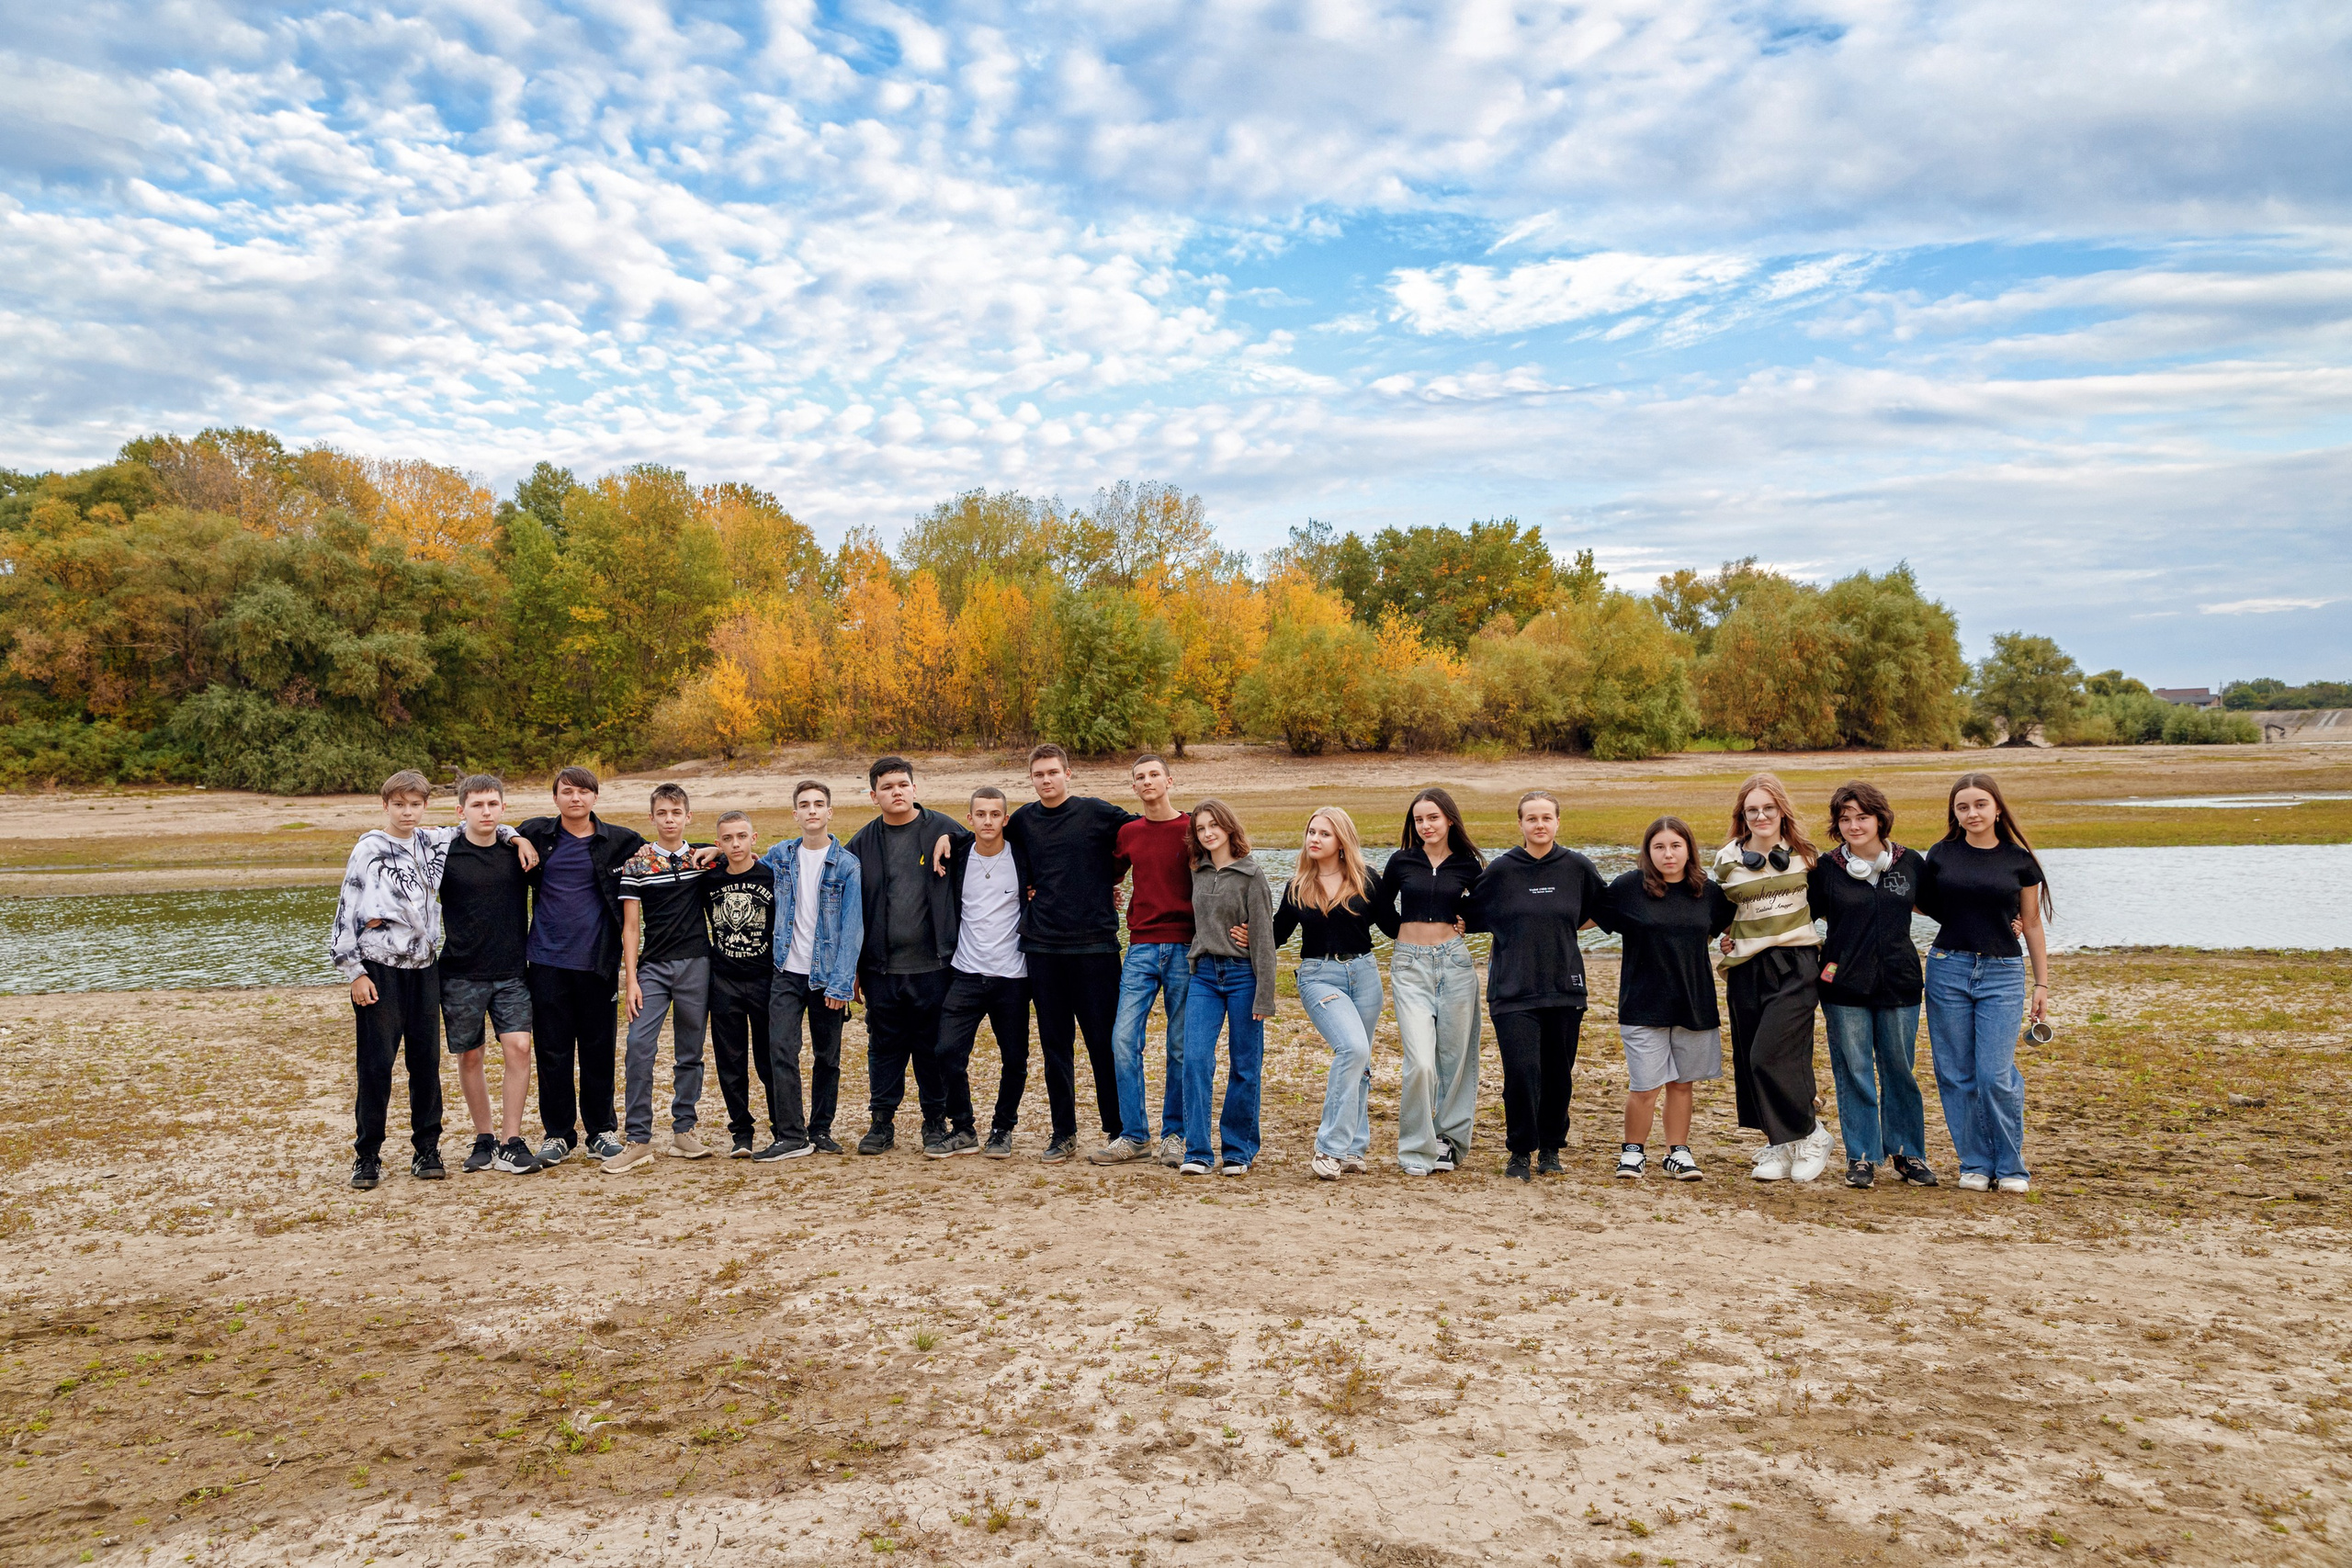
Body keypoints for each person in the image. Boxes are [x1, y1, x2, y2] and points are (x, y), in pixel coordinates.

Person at [329, 769, 535, 1190]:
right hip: (378, 969)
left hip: (425, 969)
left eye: (415, 805)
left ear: (426, 807)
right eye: (399, 804)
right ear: (385, 805)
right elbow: (345, 911)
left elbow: (481, 822)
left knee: (425, 1064)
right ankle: (367, 1156)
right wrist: (355, 973)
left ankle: (427, 1149)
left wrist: (516, 836)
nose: (407, 812)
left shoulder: (431, 842)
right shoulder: (369, 847)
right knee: (376, 1065)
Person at [1918, 772, 2052, 1195]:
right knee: (1956, 1073)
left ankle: (2011, 1166)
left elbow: (2031, 923)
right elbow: (1920, 901)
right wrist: (1967, 918)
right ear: (1954, 813)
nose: (1972, 813)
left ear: (1997, 808)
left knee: (1995, 1073)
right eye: (1963, 807)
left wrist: (2042, 985)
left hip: (2002, 973)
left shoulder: (2019, 860)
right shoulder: (1940, 854)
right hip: (1947, 968)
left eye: (1979, 804)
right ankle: (1975, 1162)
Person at [1466, 790, 1609, 1182]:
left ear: (1558, 822)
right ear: (1521, 824)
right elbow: (1469, 913)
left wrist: (1563, 926)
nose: (1540, 825)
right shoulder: (1502, 869)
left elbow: (1603, 909)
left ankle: (1550, 1148)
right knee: (1522, 1072)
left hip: (1565, 986)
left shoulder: (1577, 867)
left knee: (1558, 1073)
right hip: (1512, 989)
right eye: (1532, 818)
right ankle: (1519, 1151)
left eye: (1547, 818)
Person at [1003, 744, 1136, 1162]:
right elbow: (986, 839)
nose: (1046, 780)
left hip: (1095, 947)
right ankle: (1063, 1133)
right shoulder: (1023, 820)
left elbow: (1142, 835)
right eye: (1039, 774)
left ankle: (1119, 1129)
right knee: (1054, 1044)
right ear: (1031, 778)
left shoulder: (1097, 813)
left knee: (1104, 1043)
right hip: (1042, 948)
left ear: (1068, 773)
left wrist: (1112, 878)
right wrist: (945, 842)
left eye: (1053, 772)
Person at [1808, 781, 1936, 1190]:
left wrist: (2011, 921)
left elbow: (1949, 909)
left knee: (1900, 1069)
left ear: (1880, 818)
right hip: (1843, 985)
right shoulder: (1826, 869)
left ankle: (1908, 1153)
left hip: (1900, 983)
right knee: (1855, 1070)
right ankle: (1861, 1156)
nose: (1853, 825)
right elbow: (1794, 919)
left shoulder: (1910, 863)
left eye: (1861, 816)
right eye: (1844, 818)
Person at [516, 767, 645, 1168]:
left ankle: (601, 1132)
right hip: (546, 960)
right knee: (552, 1050)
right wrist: (516, 837)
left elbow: (665, 851)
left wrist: (709, 849)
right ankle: (557, 1134)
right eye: (567, 792)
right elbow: (497, 833)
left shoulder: (620, 841)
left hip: (596, 961)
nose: (576, 798)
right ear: (555, 798)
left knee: (597, 1048)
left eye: (584, 792)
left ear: (595, 797)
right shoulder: (538, 834)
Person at [844, 756, 973, 1156]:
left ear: (915, 788)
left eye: (903, 784)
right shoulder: (861, 843)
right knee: (884, 1046)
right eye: (887, 786)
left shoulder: (946, 829)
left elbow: (993, 848)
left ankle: (935, 1121)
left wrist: (958, 840)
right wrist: (852, 967)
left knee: (932, 1047)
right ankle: (881, 1123)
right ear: (873, 795)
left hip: (935, 964)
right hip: (881, 968)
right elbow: (841, 903)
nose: (896, 791)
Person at [1595, 816, 1734, 1182]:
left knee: (1682, 1084)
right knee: (1645, 1085)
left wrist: (1729, 942)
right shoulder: (1628, 888)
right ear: (1648, 851)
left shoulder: (1708, 892)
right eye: (1659, 847)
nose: (1668, 854)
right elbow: (1583, 917)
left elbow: (1733, 928)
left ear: (1688, 849)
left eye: (1676, 845)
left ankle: (1677, 1152)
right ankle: (1633, 1151)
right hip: (1642, 1003)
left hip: (1694, 1000)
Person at [1712, 773, 1833, 1183]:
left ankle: (1812, 1134)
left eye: (1768, 808)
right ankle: (1779, 1143)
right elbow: (1720, 914)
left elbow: (1834, 905)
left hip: (1797, 963)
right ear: (1742, 816)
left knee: (1773, 1052)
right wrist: (1723, 942)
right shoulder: (1726, 859)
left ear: (1782, 810)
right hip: (1746, 968)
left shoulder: (1807, 856)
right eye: (1752, 810)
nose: (1761, 815)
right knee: (1750, 1058)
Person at [605, 784, 719, 1174]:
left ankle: (684, 1131)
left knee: (691, 1051)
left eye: (676, 812)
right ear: (651, 818)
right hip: (652, 969)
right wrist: (631, 979)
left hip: (696, 965)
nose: (669, 819)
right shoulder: (637, 864)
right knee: (639, 1047)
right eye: (662, 813)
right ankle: (638, 1139)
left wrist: (719, 849)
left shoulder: (701, 859)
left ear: (688, 817)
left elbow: (741, 855)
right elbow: (632, 928)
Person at [1374, 788, 1483, 1177]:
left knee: (1456, 1061)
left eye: (1433, 818)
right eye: (1419, 820)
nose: (1426, 826)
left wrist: (1470, 921)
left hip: (1454, 965)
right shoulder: (1402, 860)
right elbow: (1380, 906)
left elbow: (1487, 905)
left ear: (1449, 819)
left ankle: (1448, 1141)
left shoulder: (1468, 865)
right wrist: (1400, 935)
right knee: (1420, 1062)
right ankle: (1415, 1150)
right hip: (1410, 968)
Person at [436, 773, 541, 1177]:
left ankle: (511, 1141)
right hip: (461, 972)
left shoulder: (517, 853)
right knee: (471, 1055)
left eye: (492, 805)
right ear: (461, 810)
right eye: (477, 805)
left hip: (512, 971)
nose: (485, 811)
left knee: (518, 1047)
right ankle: (484, 1137)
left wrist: (517, 839)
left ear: (502, 809)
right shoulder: (444, 853)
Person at [752, 781, 863, 1161]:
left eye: (819, 804)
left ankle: (821, 1129)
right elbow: (745, 869)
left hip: (827, 976)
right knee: (781, 1049)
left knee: (827, 1057)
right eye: (805, 805)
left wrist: (842, 983)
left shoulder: (847, 864)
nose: (812, 810)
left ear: (830, 812)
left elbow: (852, 929)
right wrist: (710, 851)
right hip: (786, 971)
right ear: (795, 814)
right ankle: (791, 1135)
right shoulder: (779, 855)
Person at [1273, 807, 1382, 1180]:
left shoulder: (1367, 880)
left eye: (1324, 833)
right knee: (1352, 1048)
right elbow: (1275, 936)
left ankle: (1354, 1148)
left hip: (1365, 974)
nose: (1314, 839)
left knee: (1361, 1062)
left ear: (1341, 842)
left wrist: (1449, 916)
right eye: (1311, 832)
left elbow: (1396, 926)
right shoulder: (1297, 886)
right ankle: (1329, 1148)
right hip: (1319, 976)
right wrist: (1237, 935)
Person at [1096, 753, 1193, 1167]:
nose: (1148, 781)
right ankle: (1134, 1135)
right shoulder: (1129, 832)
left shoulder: (1193, 827)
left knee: (1180, 1045)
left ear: (1170, 781)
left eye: (1155, 774)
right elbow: (1107, 873)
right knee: (1122, 1040)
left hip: (1187, 948)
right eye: (1140, 777)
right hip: (1141, 947)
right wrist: (1110, 893)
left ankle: (1175, 1134)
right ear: (1133, 788)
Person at [1178, 798, 1276, 1176]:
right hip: (1203, 975)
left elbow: (1264, 939)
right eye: (1201, 829)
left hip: (1242, 978)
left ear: (1229, 827)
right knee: (1196, 1059)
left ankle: (1238, 1151)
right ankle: (1198, 1152)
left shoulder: (1253, 875)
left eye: (1213, 826)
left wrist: (1264, 994)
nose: (1208, 833)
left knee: (1245, 1065)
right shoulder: (1198, 872)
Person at [939, 787, 1029, 1160]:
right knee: (946, 1051)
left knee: (1015, 1058)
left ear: (1005, 819)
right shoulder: (958, 855)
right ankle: (963, 1128)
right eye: (981, 814)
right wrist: (949, 837)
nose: (988, 821)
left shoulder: (1024, 857)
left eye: (995, 814)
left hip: (1012, 976)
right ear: (971, 818)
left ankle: (1002, 1128)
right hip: (966, 973)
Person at [703, 810, 780, 1159]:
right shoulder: (710, 879)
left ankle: (783, 1127)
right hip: (724, 981)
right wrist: (712, 853)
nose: (736, 844)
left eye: (742, 837)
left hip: (765, 979)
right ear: (719, 843)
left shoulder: (772, 876)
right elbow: (682, 851)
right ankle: (742, 1132)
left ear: (754, 838)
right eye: (727, 839)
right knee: (730, 1062)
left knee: (770, 1060)